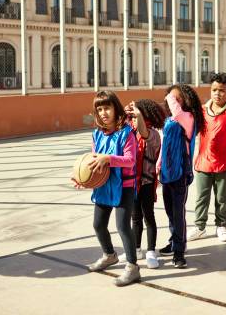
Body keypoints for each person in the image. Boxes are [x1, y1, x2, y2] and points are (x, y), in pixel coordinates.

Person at [75, 90, 140, 287]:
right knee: (98, 224)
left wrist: (108, 158)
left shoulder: (127, 133)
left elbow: (130, 161)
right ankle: (109, 255)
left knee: (122, 227)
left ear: (116, 109)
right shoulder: (97, 134)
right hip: (104, 186)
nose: (104, 113)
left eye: (107, 108)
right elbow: (94, 163)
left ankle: (132, 267)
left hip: (124, 187)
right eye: (100, 109)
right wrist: (84, 179)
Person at [187, 72, 226, 243]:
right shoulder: (201, 110)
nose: (218, 93)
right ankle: (200, 227)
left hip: (225, 161)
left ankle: (221, 225)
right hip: (203, 161)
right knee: (202, 196)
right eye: (214, 89)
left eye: (222, 90)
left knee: (222, 197)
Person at [157, 84, 206, 268]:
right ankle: (173, 242)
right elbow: (164, 143)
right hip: (167, 172)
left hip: (181, 174)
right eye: (172, 98)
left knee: (178, 214)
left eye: (178, 98)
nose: (174, 101)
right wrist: (159, 163)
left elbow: (176, 110)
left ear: (186, 100)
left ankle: (179, 252)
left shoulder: (187, 118)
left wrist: (170, 94)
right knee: (170, 212)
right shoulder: (169, 120)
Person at [123, 99, 166, 269]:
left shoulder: (153, 134)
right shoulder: (130, 132)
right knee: (135, 218)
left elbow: (143, 131)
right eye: (132, 116)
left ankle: (150, 251)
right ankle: (137, 248)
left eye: (136, 116)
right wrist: (125, 112)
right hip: (133, 182)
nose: (133, 119)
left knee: (148, 217)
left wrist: (138, 115)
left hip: (147, 182)